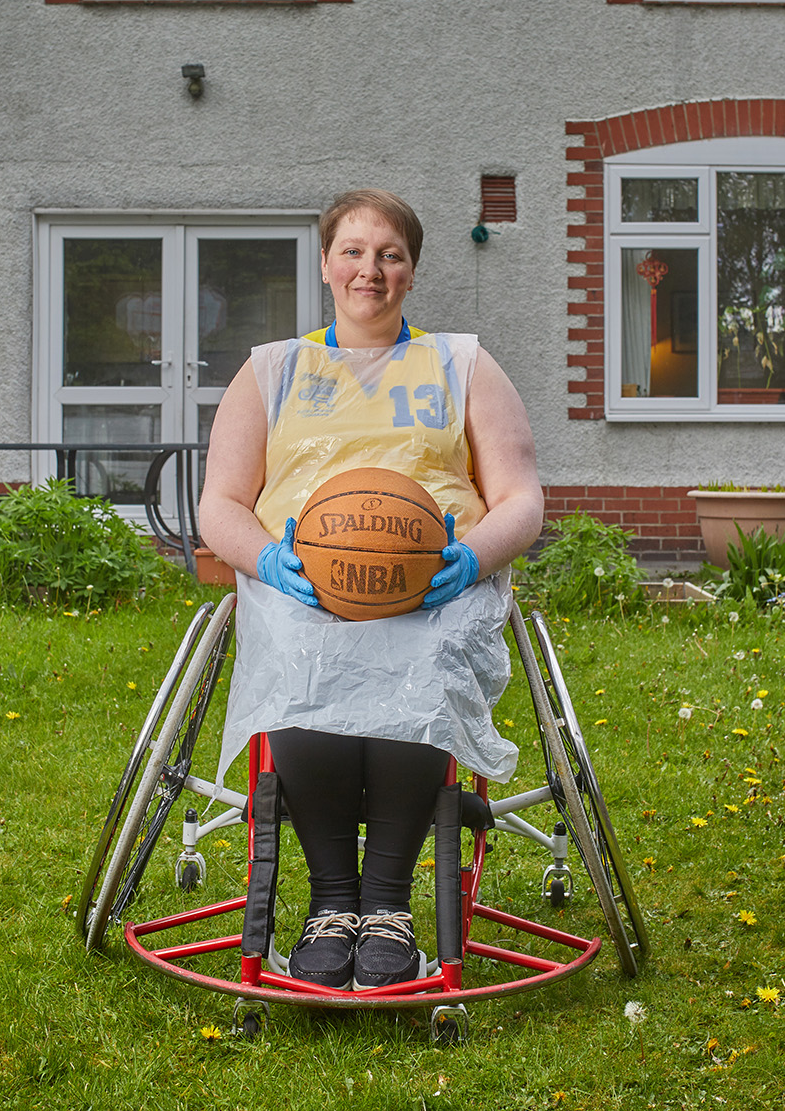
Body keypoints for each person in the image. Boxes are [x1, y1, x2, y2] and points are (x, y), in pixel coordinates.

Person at [199, 188, 544, 990]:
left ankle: (386, 903)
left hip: (433, 588)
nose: (370, 269)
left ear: (412, 272)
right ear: (325, 264)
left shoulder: (462, 363)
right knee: (299, 646)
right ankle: (331, 902)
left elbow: (522, 498)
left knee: (423, 652)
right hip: (306, 586)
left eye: (389, 254)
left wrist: (473, 556)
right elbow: (219, 503)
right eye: (353, 251)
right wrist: (269, 560)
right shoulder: (273, 369)